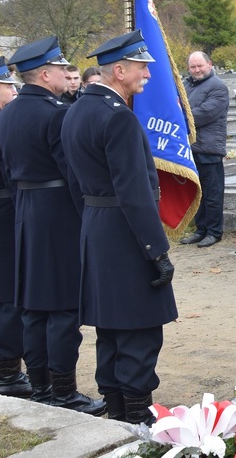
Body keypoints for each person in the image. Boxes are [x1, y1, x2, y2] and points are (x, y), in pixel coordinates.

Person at [61, 30, 178, 424]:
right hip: (127, 233)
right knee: (139, 329)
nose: (147, 72)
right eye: (141, 66)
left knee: (110, 328)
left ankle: (114, 408)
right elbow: (135, 193)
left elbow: (76, 182)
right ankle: (136, 417)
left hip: (97, 226)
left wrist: (93, 224)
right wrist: (156, 250)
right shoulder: (118, 117)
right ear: (119, 69)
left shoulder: (76, 109)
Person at [0, 36, 105, 415]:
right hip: (58, 215)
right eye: (60, 69)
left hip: (26, 214)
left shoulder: (6, 113)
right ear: (45, 74)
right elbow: (71, 173)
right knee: (61, 310)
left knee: (33, 309)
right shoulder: (57, 113)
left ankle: (41, 385)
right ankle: (63, 391)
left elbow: (7, 172)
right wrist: (83, 218)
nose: (65, 74)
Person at [0, 57, 31, 398]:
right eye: (7, 87)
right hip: (2, 212)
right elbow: (10, 171)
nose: (13, 92)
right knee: (8, 297)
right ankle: (7, 371)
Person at [179, 51, 229, 248]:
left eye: (200, 65)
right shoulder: (187, 86)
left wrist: (179, 116)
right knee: (196, 194)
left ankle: (214, 232)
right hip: (190, 149)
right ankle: (200, 230)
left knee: (212, 194)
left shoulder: (218, 87)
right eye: (193, 67)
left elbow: (204, 114)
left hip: (209, 149)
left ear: (209, 64)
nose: (197, 70)